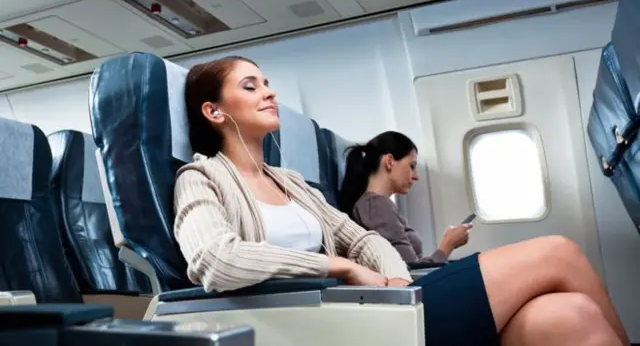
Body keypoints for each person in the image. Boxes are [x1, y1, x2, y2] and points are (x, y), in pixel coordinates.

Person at [173, 55, 629, 346]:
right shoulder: (200, 178)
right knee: (557, 252)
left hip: (377, 311)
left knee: (572, 316)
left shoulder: (291, 183)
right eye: (250, 86)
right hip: (319, 322)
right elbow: (215, 260)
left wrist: (393, 286)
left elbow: (363, 239)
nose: (269, 90)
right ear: (214, 112)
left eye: (267, 81)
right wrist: (340, 268)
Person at [338, 131, 470, 264]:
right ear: (389, 162)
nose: (416, 176)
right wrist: (447, 245)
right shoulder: (376, 205)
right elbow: (410, 270)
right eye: (411, 166)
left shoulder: (377, 205)